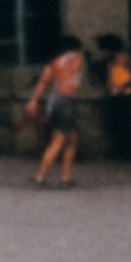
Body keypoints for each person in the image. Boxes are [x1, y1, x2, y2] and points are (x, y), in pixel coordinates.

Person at [27, 35, 87, 188]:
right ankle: (41, 177)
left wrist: (34, 100)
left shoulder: (54, 62)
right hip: (67, 100)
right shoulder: (76, 58)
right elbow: (74, 73)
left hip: (55, 100)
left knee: (72, 139)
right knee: (58, 140)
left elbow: (43, 82)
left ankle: (66, 177)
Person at [95, 33, 131, 157]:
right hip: (114, 94)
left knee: (125, 121)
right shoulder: (109, 60)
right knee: (114, 122)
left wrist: (123, 85)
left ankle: (127, 150)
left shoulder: (123, 58)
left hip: (125, 94)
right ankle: (118, 150)